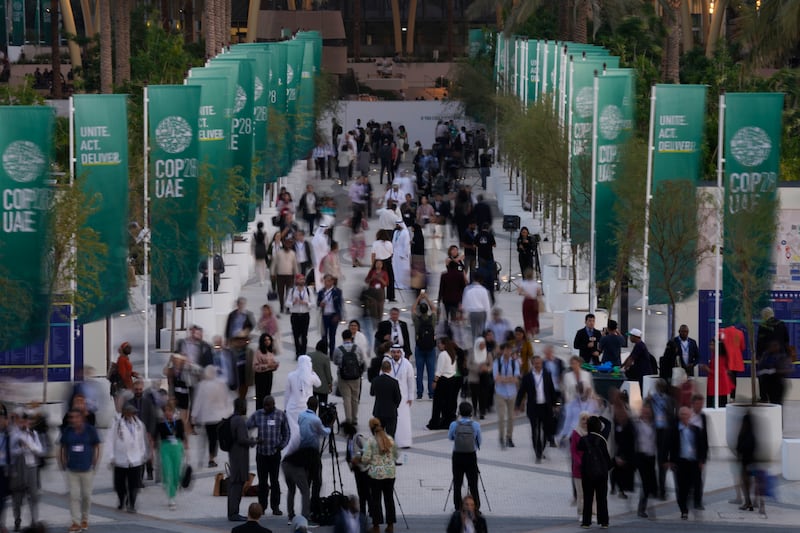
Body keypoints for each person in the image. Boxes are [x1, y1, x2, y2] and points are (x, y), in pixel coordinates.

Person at [247, 395, 290, 517]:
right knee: (262, 482)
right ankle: (262, 507)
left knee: (274, 481)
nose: (266, 408)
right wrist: (253, 440)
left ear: (273, 404)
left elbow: (287, 432)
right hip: (261, 454)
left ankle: (275, 507)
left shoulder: (280, 415)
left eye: (268, 405)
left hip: (274, 454)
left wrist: (282, 445)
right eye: (264, 405)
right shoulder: (258, 414)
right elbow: (247, 426)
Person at [59, 409, 101, 532]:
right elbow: (63, 446)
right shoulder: (68, 431)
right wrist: (63, 460)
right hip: (72, 469)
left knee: (86, 496)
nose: (73, 420)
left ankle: (84, 518)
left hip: (87, 468)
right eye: (71, 418)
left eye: (76, 417)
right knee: (74, 496)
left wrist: (95, 461)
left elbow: (96, 445)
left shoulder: (90, 430)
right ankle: (75, 522)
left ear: (82, 418)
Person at [353, 418, 398, 533]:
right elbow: (396, 455)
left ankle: (376, 526)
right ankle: (390, 525)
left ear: (371, 429)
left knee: (376, 500)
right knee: (389, 499)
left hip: (376, 475)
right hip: (390, 474)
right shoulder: (390, 439)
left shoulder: (371, 441)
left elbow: (366, 459)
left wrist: (359, 459)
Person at [668, 406, 708, 520]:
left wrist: (702, 460)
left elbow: (702, 446)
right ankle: (683, 510)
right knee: (681, 487)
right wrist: (669, 461)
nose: (684, 416)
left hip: (693, 462)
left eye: (686, 414)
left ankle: (691, 502)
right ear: (679, 416)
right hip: (680, 462)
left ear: (690, 416)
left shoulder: (695, 429)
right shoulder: (674, 430)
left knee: (694, 485)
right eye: (682, 414)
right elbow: (668, 445)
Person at [106, 404, 148, 513]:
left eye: (133, 413)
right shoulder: (116, 423)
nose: (132, 415)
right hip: (120, 459)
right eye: (130, 413)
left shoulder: (139, 424)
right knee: (120, 484)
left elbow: (141, 441)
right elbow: (110, 440)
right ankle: (121, 501)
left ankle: (132, 504)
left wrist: (142, 454)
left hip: (135, 459)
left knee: (134, 484)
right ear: (125, 413)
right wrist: (111, 456)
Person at [516, 355, 556, 463]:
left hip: (545, 407)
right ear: (532, 364)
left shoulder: (547, 375)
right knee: (535, 431)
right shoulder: (528, 377)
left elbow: (552, 391)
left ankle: (541, 449)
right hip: (533, 408)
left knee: (546, 431)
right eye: (536, 363)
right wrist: (517, 405)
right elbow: (521, 392)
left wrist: (556, 404)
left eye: (540, 363)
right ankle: (537, 453)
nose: (538, 365)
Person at [191, 365, 231, 469]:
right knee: (215, 439)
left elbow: (198, 402)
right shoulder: (220, 383)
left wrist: (193, 416)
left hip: (207, 418)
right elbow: (226, 399)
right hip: (218, 416)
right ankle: (212, 457)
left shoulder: (202, 385)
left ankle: (207, 457)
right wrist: (228, 412)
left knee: (209, 437)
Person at [578, 416, 612, 529]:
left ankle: (586, 522)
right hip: (601, 473)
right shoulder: (602, 438)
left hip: (587, 473)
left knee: (588, 497)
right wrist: (600, 417)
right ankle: (604, 522)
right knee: (602, 498)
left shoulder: (583, 440)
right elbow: (608, 424)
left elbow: (578, 448)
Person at [283, 355, 321, 457]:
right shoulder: (310, 377)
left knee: (294, 431)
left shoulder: (291, 375)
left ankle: (292, 452)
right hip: (306, 407)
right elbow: (319, 383)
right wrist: (312, 371)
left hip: (293, 407)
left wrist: (285, 407)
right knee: (305, 431)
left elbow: (287, 393)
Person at [10, 410, 43, 529]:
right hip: (19, 469)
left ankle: (34, 521)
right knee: (17, 497)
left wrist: (30, 446)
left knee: (33, 496)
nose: (24, 423)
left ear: (29, 422)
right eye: (22, 421)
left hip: (32, 468)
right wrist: (21, 449)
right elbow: (11, 452)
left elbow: (40, 450)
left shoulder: (34, 434)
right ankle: (17, 519)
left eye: (26, 421)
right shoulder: (15, 435)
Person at [448, 402, 482, 511]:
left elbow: (450, 437)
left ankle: (458, 507)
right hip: (471, 455)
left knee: (457, 483)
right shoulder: (475, 425)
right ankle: (475, 506)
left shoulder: (454, 424)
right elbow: (479, 440)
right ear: (471, 412)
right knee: (473, 483)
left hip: (457, 455)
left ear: (459, 412)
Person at [228, 398, 256, 521]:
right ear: (241, 406)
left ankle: (232, 511)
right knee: (237, 484)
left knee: (235, 484)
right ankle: (234, 513)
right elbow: (242, 439)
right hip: (239, 456)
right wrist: (254, 441)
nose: (246, 408)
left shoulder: (232, 418)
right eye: (245, 405)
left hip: (234, 454)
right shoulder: (239, 420)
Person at [156, 402, 187, 510]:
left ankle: (174, 486)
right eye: (165, 411)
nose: (167, 413)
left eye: (169, 411)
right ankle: (171, 497)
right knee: (167, 470)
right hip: (165, 448)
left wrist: (186, 449)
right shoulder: (160, 423)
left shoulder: (178, 422)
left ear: (173, 412)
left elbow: (183, 436)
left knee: (176, 472)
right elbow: (156, 437)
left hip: (177, 447)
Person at [333, 330, 367, 426]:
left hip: (343, 377)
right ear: (351, 338)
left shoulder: (338, 349)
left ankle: (348, 419)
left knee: (346, 398)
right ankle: (355, 418)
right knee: (355, 398)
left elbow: (335, 361)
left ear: (342, 338)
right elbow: (361, 360)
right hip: (356, 376)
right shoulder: (357, 348)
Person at [385, 344, 415, 449]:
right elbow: (382, 377)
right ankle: (393, 442)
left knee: (404, 420)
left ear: (401, 353)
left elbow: (411, 381)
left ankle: (405, 442)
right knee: (392, 420)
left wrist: (411, 396)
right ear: (391, 353)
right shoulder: (387, 363)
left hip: (404, 397)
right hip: (391, 397)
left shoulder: (407, 364)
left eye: (398, 352)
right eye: (394, 352)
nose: (396, 354)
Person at [493, 343, 520, 449]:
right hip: (500, 393)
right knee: (501, 416)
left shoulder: (514, 363)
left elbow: (516, 379)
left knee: (511, 417)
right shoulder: (497, 363)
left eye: (510, 350)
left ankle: (509, 437)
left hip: (512, 393)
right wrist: (509, 379)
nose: (508, 352)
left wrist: (504, 379)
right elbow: (496, 378)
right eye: (506, 350)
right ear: (502, 351)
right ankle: (501, 438)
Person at [633, 402, 658, 518]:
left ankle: (647, 503)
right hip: (640, 456)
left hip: (651, 456)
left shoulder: (654, 424)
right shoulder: (637, 424)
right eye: (644, 410)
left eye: (648, 411)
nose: (646, 413)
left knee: (649, 482)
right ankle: (641, 508)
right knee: (645, 482)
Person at [429, 338, 459, 430]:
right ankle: (447, 422)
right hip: (452, 379)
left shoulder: (443, 354)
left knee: (438, 403)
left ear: (444, 344)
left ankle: (435, 423)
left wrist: (435, 381)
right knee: (449, 402)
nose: (438, 345)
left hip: (443, 380)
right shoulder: (452, 354)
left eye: (440, 344)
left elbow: (439, 370)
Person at [412, 292, 438, 400]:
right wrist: (426, 297)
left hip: (420, 347)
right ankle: (431, 393)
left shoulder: (417, 320)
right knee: (431, 371)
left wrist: (419, 297)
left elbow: (413, 309)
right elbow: (434, 309)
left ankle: (419, 392)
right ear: (427, 310)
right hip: (431, 348)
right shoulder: (432, 319)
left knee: (419, 372)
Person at [343, 423, 371, 519]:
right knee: (361, 492)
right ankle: (362, 513)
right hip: (357, 470)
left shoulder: (358, 438)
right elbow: (349, 454)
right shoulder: (349, 440)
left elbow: (366, 448)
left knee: (367, 492)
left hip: (364, 469)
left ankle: (372, 511)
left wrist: (357, 457)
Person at [370, 360, 402, 437]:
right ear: (390, 369)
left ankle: (379, 448)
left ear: (381, 369)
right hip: (391, 412)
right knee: (391, 435)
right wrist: (395, 406)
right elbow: (398, 397)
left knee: (378, 434)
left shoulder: (375, 380)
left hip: (378, 411)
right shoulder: (394, 382)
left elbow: (372, 393)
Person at [757, 339, 792, 405]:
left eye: (775, 346)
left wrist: (775, 371)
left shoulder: (782, 356)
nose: (773, 348)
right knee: (772, 403)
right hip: (767, 383)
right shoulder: (766, 355)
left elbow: (788, 369)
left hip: (778, 382)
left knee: (777, 403)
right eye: (771, 346)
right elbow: (760, 366)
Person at [569, 412, 590, 523]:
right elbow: (573, 451)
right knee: (581, 493)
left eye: (587, 419)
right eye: (583, 419)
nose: (585, 421)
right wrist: (580, 462)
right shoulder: (575, 433)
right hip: (579, 469)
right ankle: (581, 513)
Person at [318, 274, 344, 358]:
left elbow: (340, 304)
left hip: (333, 315)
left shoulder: (337, 291)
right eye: (325, 281)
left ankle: (332, 353)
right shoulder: (321, 292)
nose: (327, 282)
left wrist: (338, 315)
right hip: (324, 315)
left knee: (332, 335)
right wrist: (320, 304)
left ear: (332, 281)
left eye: (329, 281)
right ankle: (324, 352)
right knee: (324, 335)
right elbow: (318, 302)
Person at [287, 274, 313, 357]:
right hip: (295, 315)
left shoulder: (308, 290)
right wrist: (293, 303)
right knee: (296, 335)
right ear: (296, 280)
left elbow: (313, 303)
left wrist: (306, 303)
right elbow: (287, 303)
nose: (302, 281)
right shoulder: (292, 290)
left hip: (305, 315)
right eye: (300, 279)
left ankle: (303, 352)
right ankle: (297, 352)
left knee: (304, 335)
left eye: (303, 279)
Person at [467, 337, 492, 420]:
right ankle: (474, 409)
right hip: (474, 378)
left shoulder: (488, 354)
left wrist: (486, 369)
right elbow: (468, 364)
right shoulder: (472, 353)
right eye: (481, 345)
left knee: (483, 395)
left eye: (484, 344)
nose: (482, 346)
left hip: (484, 378)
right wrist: (477, 368)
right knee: (474, 395)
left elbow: (491, 366)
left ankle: (482, 412)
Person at [461, 275, 492, 342]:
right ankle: (481, 342)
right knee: (481, 331)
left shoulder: (469, 291)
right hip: (482, 312)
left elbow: (465, 304)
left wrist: (465, 315)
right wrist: (488, 317)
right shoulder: (484, 290)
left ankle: (475, 343)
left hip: (473, 313)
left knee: (473, 331)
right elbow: (487, 305)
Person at [271, 239, 298, 312]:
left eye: (289, 244)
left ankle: (288, 307)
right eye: (286, 244)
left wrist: (297, 275)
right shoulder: (279, 253)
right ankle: (281, 306)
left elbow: (295, 265)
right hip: (280, 275)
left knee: (289, 292)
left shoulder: (292, 253)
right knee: (280, 292)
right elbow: (274, 264)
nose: (288, 245)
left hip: (290, 276)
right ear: (284, 244)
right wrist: (272, 273)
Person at [371, 230, 395, 301]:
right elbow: (391, 254)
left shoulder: (375, 243)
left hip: (378, 262)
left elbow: (373, 255)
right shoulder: (389, 243)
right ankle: (390, 296)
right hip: (387, 262)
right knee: (390, 279)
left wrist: (373, 265)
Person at [518, 269, 542, 338]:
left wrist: (526, 294)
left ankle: (528, 332)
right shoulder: (536, 284)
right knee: (534, 316)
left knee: (526, 317)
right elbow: (539, 293)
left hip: (527, 301)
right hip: (534, 301)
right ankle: (534, 331)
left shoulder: (523, 283)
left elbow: (519, 292)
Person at [308, 339, 333, 405]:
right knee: (323, 405)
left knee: (311, 405)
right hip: (323, 386)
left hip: (311, 385)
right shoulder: (325, 358)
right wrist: (330, 383)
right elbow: (328, 373)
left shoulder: (309, 355)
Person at [391, 220, 411, 290]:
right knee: (396, 269)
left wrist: (404, 254)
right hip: (395, 253)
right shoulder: (396, 232)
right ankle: (397, 284)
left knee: (403, 269)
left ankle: (404, 284)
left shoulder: (405, 233)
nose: (396, 226)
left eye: (397, 225)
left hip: (403, 254)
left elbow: (406, 245)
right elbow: (393, 242)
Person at [252, 222, 269, 286]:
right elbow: (267, 243)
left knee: (258, 265)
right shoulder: (265, 234)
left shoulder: (254, 234)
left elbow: (253, 244)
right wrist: (266, 251)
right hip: (263, 251)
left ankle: (259, 279)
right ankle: (262, 279)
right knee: (263, 265)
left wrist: (252, 252)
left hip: (257, 251)